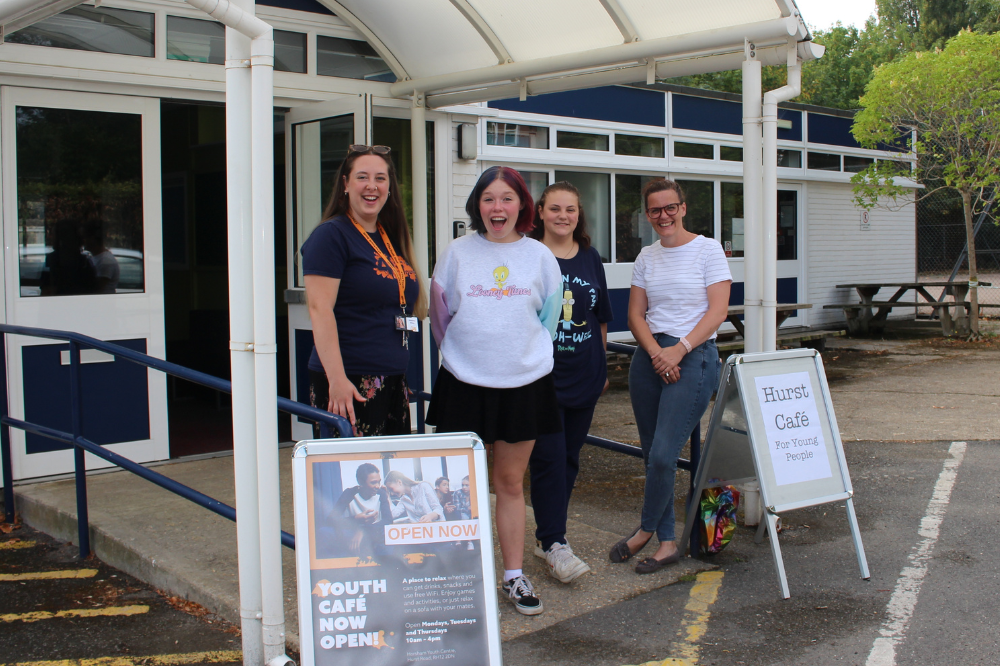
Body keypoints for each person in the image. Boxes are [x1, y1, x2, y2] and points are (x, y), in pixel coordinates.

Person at [426, 166, 562, 616]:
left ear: (523, 205)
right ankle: (459, 577)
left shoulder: (540, 256)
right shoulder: (456, 253)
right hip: (464, 384)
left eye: (506, 199)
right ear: (477, 206)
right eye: (488, 199)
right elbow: (441, 321)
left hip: (524, 385)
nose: (497, 208)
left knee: (508, 483)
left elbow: (548, 321)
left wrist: (513, 358)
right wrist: (472, 359)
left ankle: (512, 577)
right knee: (458, 488)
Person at [609, 178, 731, 574]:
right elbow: (634, 315)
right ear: (647, 215)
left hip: (693, 357)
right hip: (650, 358)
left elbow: (717, 312)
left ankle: (645, 529)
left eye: (670, 208)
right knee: (650, 455)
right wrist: (656, 352)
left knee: (664, 453)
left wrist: (678, 349)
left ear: (682, 207)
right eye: (655, 210)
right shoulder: (646, 256)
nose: (663, 216)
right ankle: (665, 542)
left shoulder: (708, 250)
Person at [301, 145, 427, 437]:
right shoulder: (331, 235)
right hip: (349, 380)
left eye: (381, 178)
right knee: (355, 477)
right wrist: (337, 380)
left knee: (389, 477)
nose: (372, 186)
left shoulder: (389, 236)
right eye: (362, 177)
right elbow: (320, 309)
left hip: (392, 377)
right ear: (345, 184)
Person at [526, 182, 613, 583]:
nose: (563, 216)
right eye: (555, 208)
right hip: (540, 380)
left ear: (579, 215)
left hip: (585, 376)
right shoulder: (527, 254)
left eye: (571, 210)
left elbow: (600, 317)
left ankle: (551, 537)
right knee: (548, 459)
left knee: (570, 459)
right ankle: (554, 541)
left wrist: (603, 369)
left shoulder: (591, 258)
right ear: (541, 212)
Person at [327, 462, 391, 556]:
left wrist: (363, 530)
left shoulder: (381, 494)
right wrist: (356, 518)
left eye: (379, 481)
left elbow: (388, 520)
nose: (377, 486)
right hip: (352, 533)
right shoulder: (349, 493)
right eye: (373, 482)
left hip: (375, 533)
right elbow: (330, 520)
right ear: (360, 482)